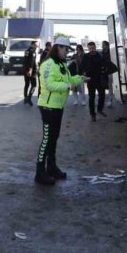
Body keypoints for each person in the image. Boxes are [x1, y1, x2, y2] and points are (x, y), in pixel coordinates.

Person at [35, 37, 86, 185]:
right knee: (46, 140)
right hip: (47, 107)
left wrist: (81, 79)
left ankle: (51, 168)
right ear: (58, 48)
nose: (67, 52)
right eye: (65, 49)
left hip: (58, 107)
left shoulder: (62, 64)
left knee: (54, 138)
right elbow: (50, 85)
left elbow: (69, 79)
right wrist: (68, 87)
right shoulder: (48, 64)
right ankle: (39, 173)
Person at [83, 41, 108, 121]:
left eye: (93, 48)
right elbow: (81, 67)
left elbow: (105, 65)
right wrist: (83, 75)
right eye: (90, 48)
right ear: (88, 48)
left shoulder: (100, 55)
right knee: (91, 98)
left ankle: (99, 110)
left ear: (95, 47)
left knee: (102, 95)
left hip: (99, 79)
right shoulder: (86, 56)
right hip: (90, 80)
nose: (92, 50)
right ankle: (92, 115)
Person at [101, 41, 118, 106]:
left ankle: (110, 98)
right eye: (102, 45)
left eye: (104, 45)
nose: (102, 46)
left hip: (110, 70)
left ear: (107, 46)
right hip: (104, 71)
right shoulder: (102, 52)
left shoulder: (110, 52)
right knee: (105, 84)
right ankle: (107, 97)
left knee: (110, 84)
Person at [23, 40, 39, 106]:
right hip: (31, 71)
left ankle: (25, 98)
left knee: (27, 84)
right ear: (32, 45)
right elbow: (31, 62)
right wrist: (30, 70)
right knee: (34, 85)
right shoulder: (33, 52)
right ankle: (29, 98)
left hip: (25, 70)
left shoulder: (26, 51)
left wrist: (26, 70)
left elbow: (25, 61)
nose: (37, 46)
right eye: (36, 45)